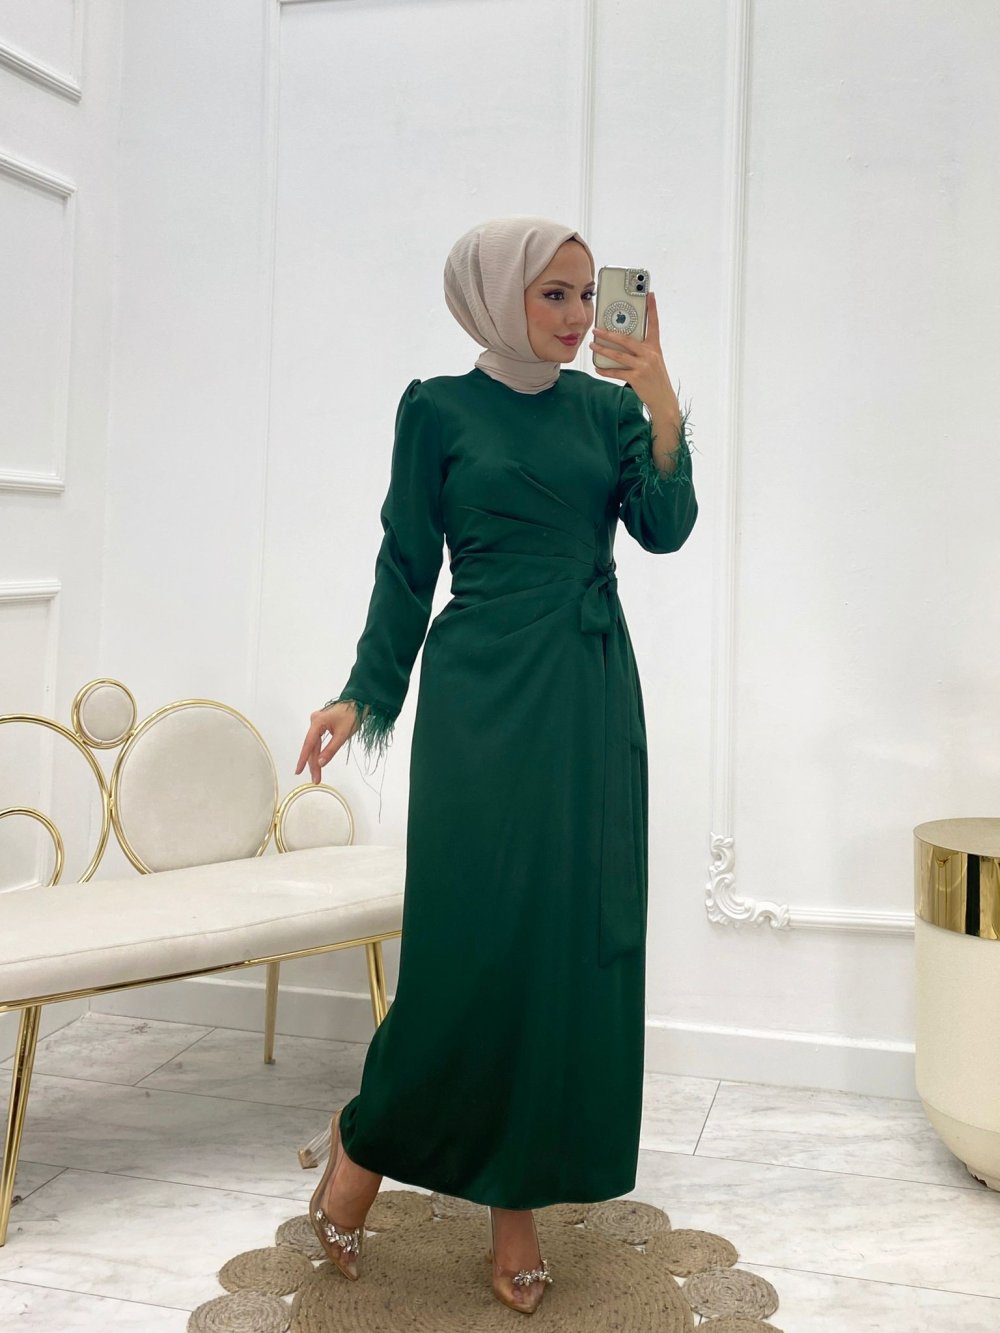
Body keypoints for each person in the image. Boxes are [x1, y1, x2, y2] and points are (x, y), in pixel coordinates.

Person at [295, 215, 698, 1314]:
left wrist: (658, 390)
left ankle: (513, 1209)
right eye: (552, 294)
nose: (577, 315)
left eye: (587, 294)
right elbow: (405, 560)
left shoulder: (609, 409)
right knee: (466, 952)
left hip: (585, 698)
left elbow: (665, 527)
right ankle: (362, 1145)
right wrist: (361, 692)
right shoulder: (436, 408)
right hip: (479, 702)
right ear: (493, 295)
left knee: (557, 954)